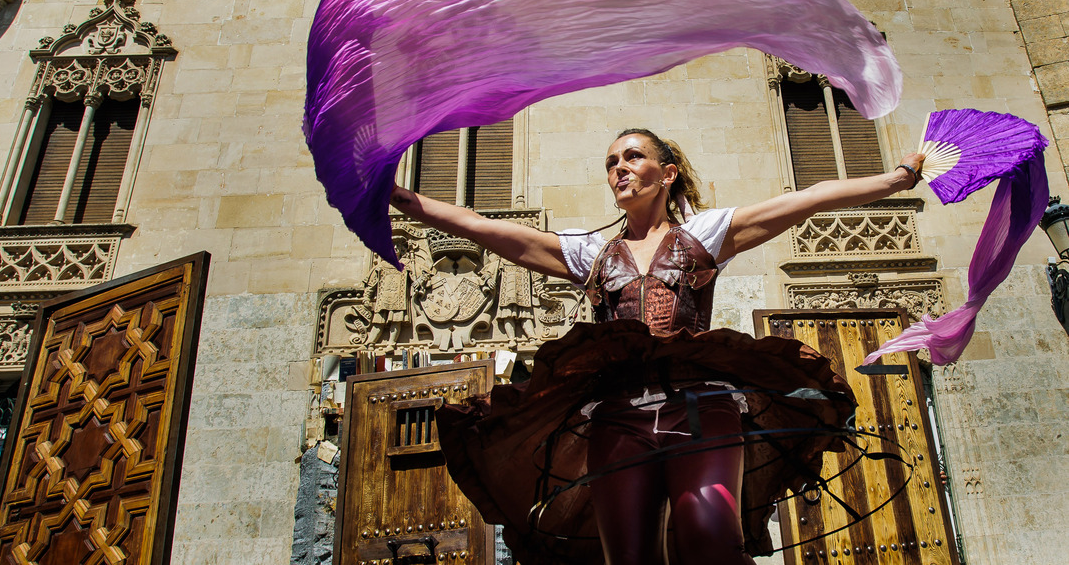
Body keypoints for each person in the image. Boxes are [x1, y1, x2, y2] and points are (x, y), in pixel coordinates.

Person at [389, 128, 925, 565]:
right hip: (618, 417)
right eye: (610, 162)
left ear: (666, 174)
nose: (619, 168)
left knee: (710, 541)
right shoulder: (592, 254)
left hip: (701, 407)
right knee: (628, 557)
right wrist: (399, 198)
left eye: (633, 157)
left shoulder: (706, 234)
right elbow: (485, 228)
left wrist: (895, 179)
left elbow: (803, 200)